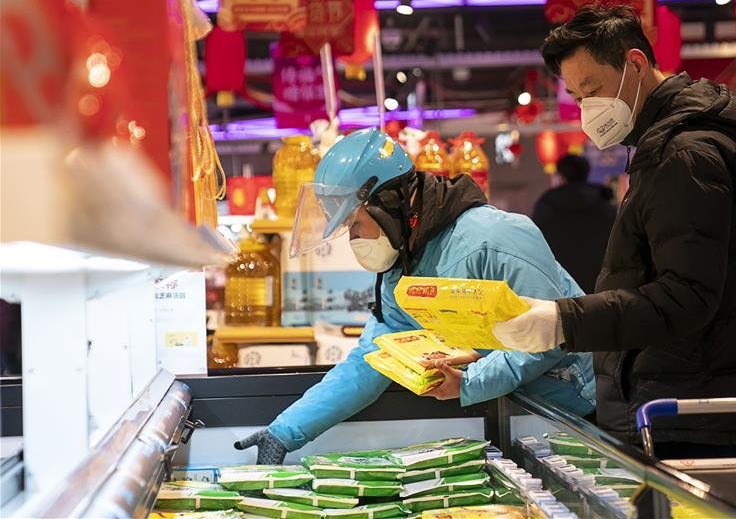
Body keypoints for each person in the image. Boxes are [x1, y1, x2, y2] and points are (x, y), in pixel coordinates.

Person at [493, 4, 736, 459]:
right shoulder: (662, 148)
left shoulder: (685, 155)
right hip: (676, 403)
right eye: (578, 98)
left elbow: (686, 296)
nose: (587, 109)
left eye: (593, 90)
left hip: (686, 413)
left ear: (636, 65)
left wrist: (563, 321)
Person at [235, 128, 595, 463]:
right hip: (510, 418)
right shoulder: (402, 267)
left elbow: (548, 340)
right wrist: (285, 431)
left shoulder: (498, 238)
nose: (354, 238)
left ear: (389, 203)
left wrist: (470, 383)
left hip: (575, 417)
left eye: (355, 223)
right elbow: (372, 360)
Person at [532, 154, 617, 293]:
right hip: (601, 285)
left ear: (560, 176)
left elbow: (536, 244)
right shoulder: (606, 205)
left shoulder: (547, 206)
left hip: (561, 285)